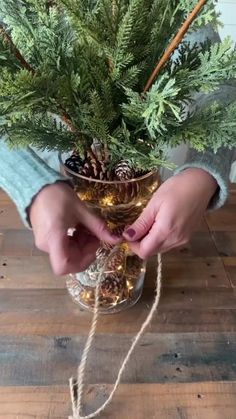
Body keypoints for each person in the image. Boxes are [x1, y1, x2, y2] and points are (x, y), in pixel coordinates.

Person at [0, 25, 235, 275]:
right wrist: (33, 186)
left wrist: (202, 173)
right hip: (59, 210)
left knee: (129, 268)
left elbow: (221, 76)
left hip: (155, 196)